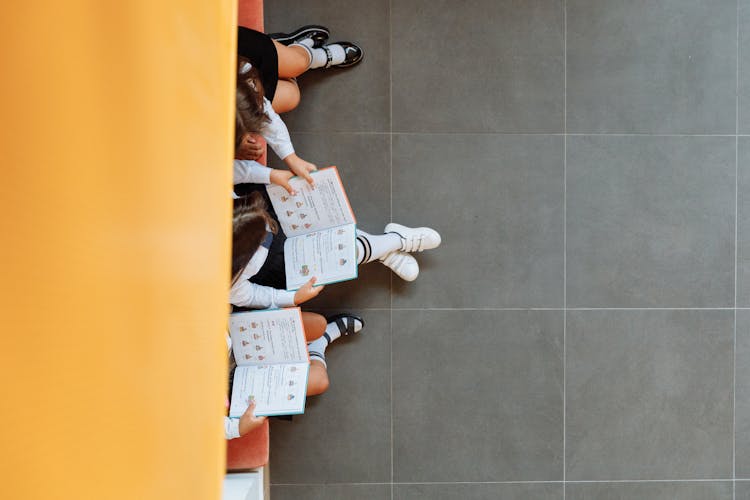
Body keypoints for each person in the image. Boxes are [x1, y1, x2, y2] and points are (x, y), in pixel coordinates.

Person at [234, 26, 363, 183]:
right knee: (292, 96)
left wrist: (290, 156)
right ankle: (286, 50)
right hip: (240, 87)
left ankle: (311, 55)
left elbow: (262, 108)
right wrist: (236, 144)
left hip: (240, 52)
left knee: (298, 63)